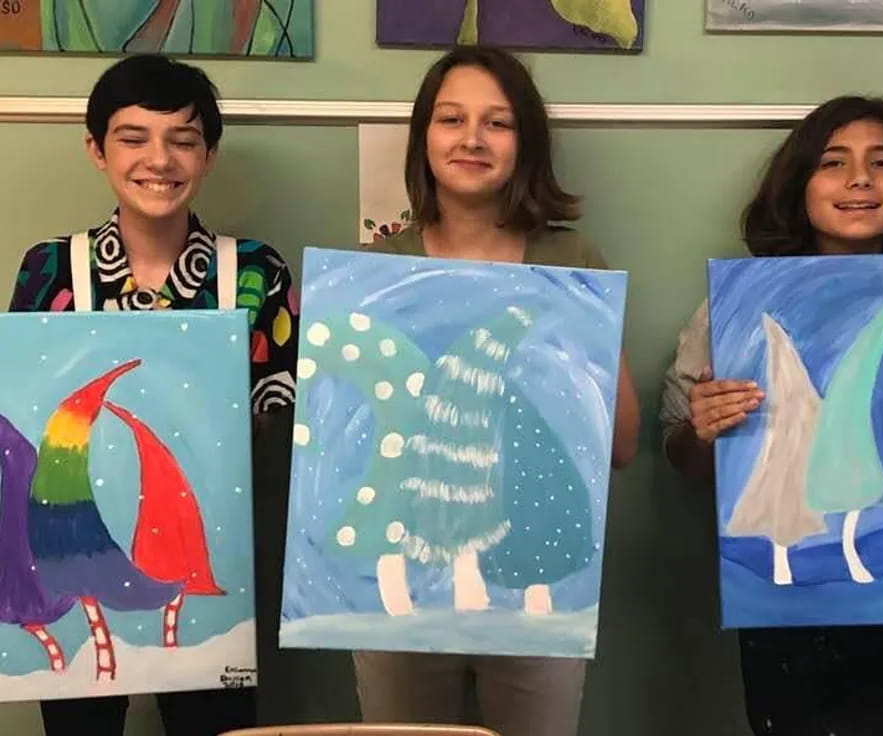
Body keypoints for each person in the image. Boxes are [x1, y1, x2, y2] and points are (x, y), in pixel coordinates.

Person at [352, 45, 640, 736]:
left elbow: (623, 442)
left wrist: (573, 358)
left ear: (527, 144)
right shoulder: (375, 269)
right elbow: (346, 437)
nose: (472, 138)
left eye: (498, 123)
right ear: (424, 138)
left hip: (533, 589)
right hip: (404, 588)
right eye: (451, 118)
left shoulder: (572, 262)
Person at [9, 53, 298, 736]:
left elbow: (281, 416)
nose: (158, 159)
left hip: (211, 558)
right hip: (75, 553)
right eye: (133, 137)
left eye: (183, 139)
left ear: (210, 154)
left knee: (214, 724)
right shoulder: (52, 268)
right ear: (96, 150)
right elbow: (24, 409)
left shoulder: (254, 272)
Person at [660, 95, 883, 735]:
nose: (860, 179)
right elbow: (681, 456)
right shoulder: (734, 312)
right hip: (791, 626)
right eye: (834, 162)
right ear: (800, 184)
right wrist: (704, 432)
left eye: (881, 162)